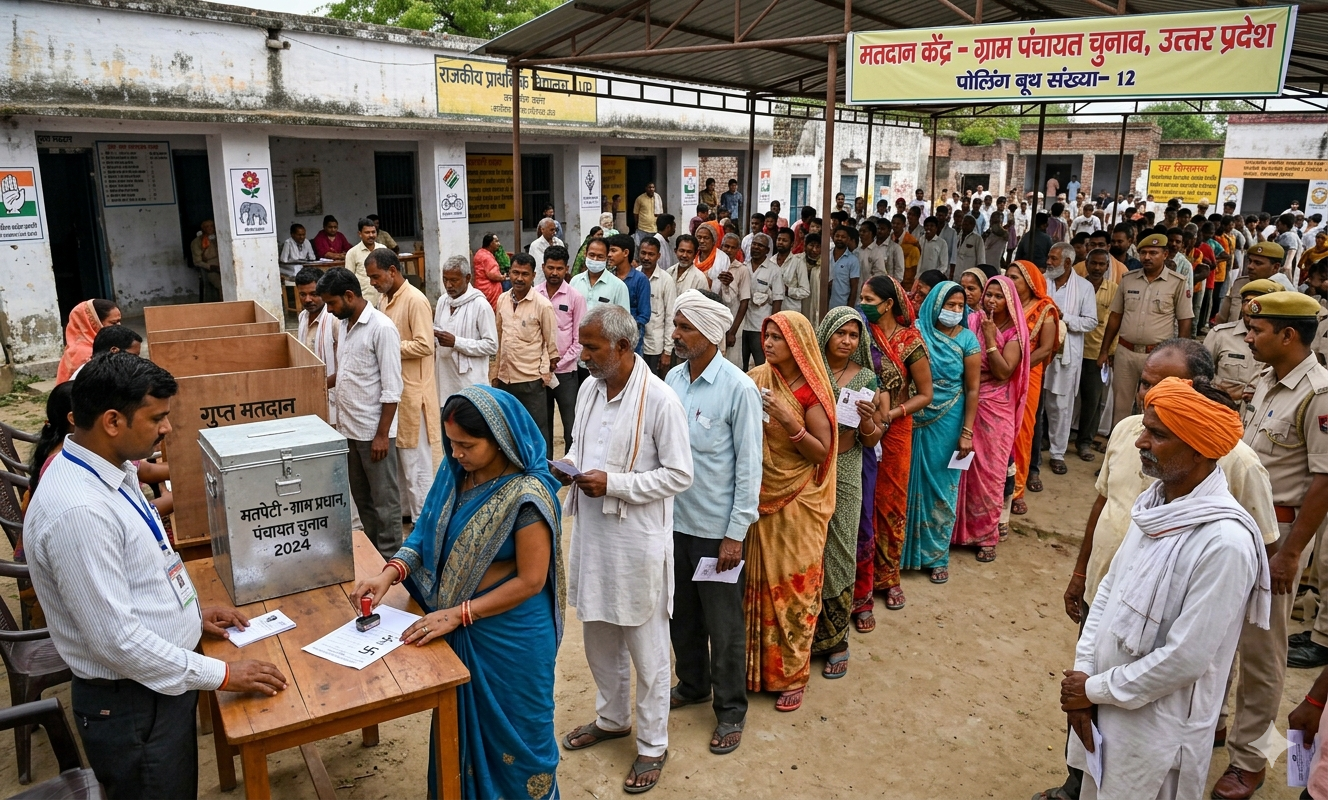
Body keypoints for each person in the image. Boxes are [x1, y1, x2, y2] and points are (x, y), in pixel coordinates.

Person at [24, 353, 287, 800]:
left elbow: (139, 571)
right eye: (157, 418)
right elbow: (118, 642)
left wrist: (188, 613)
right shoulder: (80, 512)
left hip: (151, 687)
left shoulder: (112, 471)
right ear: (112, 421)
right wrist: (223, 674)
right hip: (131, 702)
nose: (167, 428)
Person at [1047, 340, 1278, 800]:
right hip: (1104, 703)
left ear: (1200, 450)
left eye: (1158, 435)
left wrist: (1094, 689)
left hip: (1157, 728)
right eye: (1146, 428)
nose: (1140, 441)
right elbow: (1109, 593)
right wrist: (1084, 678)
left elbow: (1183, 660)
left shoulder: (1225, 542)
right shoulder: (1155, 504)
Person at [351, 387, 563, 800]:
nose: (457, 453)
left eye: (467, 445)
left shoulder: (527, 496)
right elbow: (427, 534)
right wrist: (390, 572)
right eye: (452, 444)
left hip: (512, 638)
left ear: (501, 439)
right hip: (471, 628)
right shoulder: (456, 475)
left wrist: (458, 614)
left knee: (521, 742)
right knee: (460, 736)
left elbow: (531, 581)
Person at [560, 304, 692, 794]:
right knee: (598, 635)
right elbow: (579, 447)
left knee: (647, 648)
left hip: (637, 543)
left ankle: (653, 744)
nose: (585, 355)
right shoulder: (591, 390)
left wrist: (614, 484)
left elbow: (680, 475)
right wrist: (568, 467)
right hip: (595, 538)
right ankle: (612, 719)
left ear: (622, 346)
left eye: (592, 347)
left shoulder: (660, 400)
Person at [665, 289, 762, 755]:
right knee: (680, 616)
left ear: (709, 333)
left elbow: (749, 468)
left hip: (717, 532)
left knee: (724, 626)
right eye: (676, 325)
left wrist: (734, 535)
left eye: (684, 327)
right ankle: (692, 685)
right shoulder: (672, 380)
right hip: (673, 524)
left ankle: (730, 711)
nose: (676, 334)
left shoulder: (738, 388)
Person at [744, 311, 837, 712]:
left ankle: (793, 673)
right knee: (756, 583)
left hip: (799, 500)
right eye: (766, 335)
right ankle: (756, 670)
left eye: (778, 338)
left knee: (794, 587)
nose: (768, 343)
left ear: (797, 345)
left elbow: (822, 451)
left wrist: (787, 419)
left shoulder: (809, 394)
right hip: (759, 494)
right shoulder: (755, 378)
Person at [1242, 293, 1328, 674]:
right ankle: (1217, 726)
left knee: (1262, 650)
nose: (1248, 338)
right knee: (1222, 635)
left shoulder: (1319, 394)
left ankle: (1252, 736)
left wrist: (1291, 554)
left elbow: (1325, 481)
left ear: (1288, 335)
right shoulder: (1266, 378)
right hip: (1242, 523)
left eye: (1256, 331)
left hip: (1279, 533)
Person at [810, 306, 882, 675]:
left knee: (838, 549)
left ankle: (836, 638)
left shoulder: (866, 377)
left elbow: (871, 439)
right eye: (841, 333)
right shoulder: (808, 369)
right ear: (826, 333)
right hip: (808, 470)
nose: (847, 341)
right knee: (807, 549)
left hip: (847, 469)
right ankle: (803, 633)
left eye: (854, 335)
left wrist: (870, 421)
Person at [860, 276, 934, 611]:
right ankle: (859, 577)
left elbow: (926, 394)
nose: (863, 304)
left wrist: (894, 414)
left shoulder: (909, 342)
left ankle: (888, 577)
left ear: (889, 304)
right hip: (862, 422)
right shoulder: (860, 334)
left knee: (889, 502)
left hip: (897, 427)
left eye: (869, 299)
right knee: (861, 502)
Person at [319, 267, 403, 560]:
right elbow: (345, 373)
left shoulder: (382, 328)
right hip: (349, 431)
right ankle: (374, 557)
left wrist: (382, 435)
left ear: (349, 295)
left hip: (373, 434)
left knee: (385, 503)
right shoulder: (344, 324)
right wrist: (314, 384)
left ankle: (393, 562)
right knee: (363, 500)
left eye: (332, 303)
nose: (329, 310)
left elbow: (393, 388)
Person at [905, 280, 980, 585]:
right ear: (936, 303)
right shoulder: (917, 333)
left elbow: (973, 389)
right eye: (950, 305)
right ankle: (900, 552)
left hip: (949, 418)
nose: (955, 311)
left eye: (960, 306)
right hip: (912, 414)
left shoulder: (967, 340)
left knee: (942, 487)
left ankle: (936, 556)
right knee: (906, 482)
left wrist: (967, 432)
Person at [953, 276, 1030, 560]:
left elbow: (1003, 371)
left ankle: (985, 535)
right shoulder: (971, 321)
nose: (991, 301)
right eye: (989, 295)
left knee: (989, 473)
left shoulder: (1015, 335)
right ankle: (957, 532)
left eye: (999, 296)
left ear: (1010, 302)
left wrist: (989, 338)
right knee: (963, 470)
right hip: (968, 400)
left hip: (997, 409)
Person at [366, 249, 441, 522]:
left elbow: (425, 345)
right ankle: (409, 516)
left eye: (376, 276)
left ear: (393, 271)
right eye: (370, 278)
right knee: (399, 462)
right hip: (393, 393)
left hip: (413, 395)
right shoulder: (384, 299)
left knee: (417, 464)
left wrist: (387, 347)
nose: (373, 282)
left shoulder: (415, 300)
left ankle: (426, 521)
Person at [1098, 233, 1194, 430]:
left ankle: (1147, 452)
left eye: (1153, 253)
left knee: (1152, 406)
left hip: (1158, 355)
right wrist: (1104, 350)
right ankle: (1118, 448)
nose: (1147, 257)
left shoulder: (1177, 282)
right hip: (1125, 352)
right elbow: (1115, 316)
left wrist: (1181, 356)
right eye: (1143, 253)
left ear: (1165, 254)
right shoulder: (1128, 279)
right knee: (1121, 406)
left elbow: (1185, 321)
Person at [1007, 260, 1061, 513]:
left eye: (1015, 277)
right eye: (1008, 276)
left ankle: (1016, 490)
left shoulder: (1045, 309)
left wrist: (1017, 367)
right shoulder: (1005, 304)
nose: (1011, 281)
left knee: (1022, 431)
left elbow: (1045, 349)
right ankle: (996, 484)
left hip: (1028, 374)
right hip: (1002, 372)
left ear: (1030, 282)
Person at [494, 255, 559, 454]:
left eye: (524, 274)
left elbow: (552, 347)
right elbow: (499, 340)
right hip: (505, 380)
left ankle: (542, 475)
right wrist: (495, 374)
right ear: (509, 274)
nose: (519, 278)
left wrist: (544, 374)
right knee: (508, 432)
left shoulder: (542, 305)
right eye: (515, 273)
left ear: (533, 276)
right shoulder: (502, 300)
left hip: (531, 380)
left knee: (536, 432)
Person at [1044, 244, 1098, 475]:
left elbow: (1090, 322)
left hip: (1064, 354)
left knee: (1060, 405)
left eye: (1053, 258)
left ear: (1067, 263)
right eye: (1049, 257)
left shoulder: (1084, 288)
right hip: (1039, 352)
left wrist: (1063, 316)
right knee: (1035, 401)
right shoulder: (1041, 280)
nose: (1048, 262)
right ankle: (1036, 446)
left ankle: (1057, 453)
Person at [536, 247, 584, 458]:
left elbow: (579, 339)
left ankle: (568, 467)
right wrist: (544, 365)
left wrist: (559, 363)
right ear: (543, 267)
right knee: (541, 423)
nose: (554, 272)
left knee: (570, 425)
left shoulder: (575, 297)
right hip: (538, 373)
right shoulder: (534, 295)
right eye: (550, 268)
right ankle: (544, 467)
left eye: (559, 268)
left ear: (566, 269)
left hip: (566, 374)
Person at [1203, 279, 1279, 410]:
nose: (1251, 307)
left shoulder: (1281, 342)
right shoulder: (1220, 335)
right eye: (1247, 301)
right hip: (1223, 415)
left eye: (1259, 302)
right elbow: (1200, 378)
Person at [434, 255, 498, 401]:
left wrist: (456, 342)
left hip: (470, 382)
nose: (448, 285)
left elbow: (492, 345)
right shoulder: (443, 301)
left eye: (454, 280)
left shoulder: (480, 305)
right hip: (444, 379)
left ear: (467, 278)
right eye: (445, 279)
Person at [1075, 250, 1118, 461]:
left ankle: (1084, 442)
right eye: (1094, 263)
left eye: (1102, 264)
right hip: (1072, 350)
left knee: (1092, 401)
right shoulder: (1077, 286)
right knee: (1062, 397)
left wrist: (1109, 352)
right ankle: (1052, 437)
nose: (1097, 268)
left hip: (1096, 352)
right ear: (1087, 263)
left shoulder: (1113, 290)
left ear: (1107, 267)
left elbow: (1115, 323)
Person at [295, 266, 340, 425]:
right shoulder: (302, 317)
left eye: (313, 294)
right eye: (302, 294)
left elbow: (348, 364)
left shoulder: (335, 320)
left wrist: (320, 385)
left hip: (336, 396)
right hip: (310, 392)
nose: (307, 299)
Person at [741, 233, 784, 370]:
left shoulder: (774, 271)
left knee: (761, 364)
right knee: (741, 365)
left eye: (760, 245)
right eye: (754, 244)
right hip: (742, 326)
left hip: (759, 326)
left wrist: (771, 327)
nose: (756, 247)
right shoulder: (743, 267)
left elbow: (778, 300)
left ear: (767, 250)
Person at [637, 237, 676, 377]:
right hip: (636, 344)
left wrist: (667, 351)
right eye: (643, 253)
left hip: (655, 347)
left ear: (658, 256)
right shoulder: (634, 276)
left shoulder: (666, 280)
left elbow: (671, 316)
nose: (646, 257)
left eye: (651, 254)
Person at [56, 298, 120, 383]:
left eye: (119, 321)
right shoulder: (83, 353)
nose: (119, 326)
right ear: (94, 323)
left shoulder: (105, 344)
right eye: (114, 322)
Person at [711, 234, 751, 368]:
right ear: (720, 247)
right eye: (726, 246)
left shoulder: (742, 270)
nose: (728, 250)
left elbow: (744, 302)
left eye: (733, 247)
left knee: (732, 363)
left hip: (734, 322)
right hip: (715, 321)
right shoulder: (715, 266)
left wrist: (732, 332)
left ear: (738, 250)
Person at [607, 234, 651, 354]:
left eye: (613, 251)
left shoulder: (640, 279)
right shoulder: (608, 277)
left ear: (626, 253)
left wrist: (627, 328)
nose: (609, 255)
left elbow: (644, 314)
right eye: (608, 251)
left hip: (631, 338)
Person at [345, 217, 387, 306]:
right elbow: (348, 279)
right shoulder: (352, 253)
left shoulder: (383, 249)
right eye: (367, 232)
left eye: (373, 232)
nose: (371, 235)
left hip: (383, 299)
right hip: (364, 301)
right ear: (360, 234)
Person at [190, 219, 222, 298]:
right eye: (207, 227)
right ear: (203, 229)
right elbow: (197, 261)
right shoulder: (197, 242)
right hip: (210, 270)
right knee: (222, 286)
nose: (210, 228)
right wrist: (210, 267)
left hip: (223, 266)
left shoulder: (220, 237)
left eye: (212, 226)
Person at [473, 233, 506, 309]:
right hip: (490, 290)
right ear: (491, 243)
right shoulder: (487, 257)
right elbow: (493, 275)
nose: (499, 244)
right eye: (496, 241)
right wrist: (502, 277)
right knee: (491, 311)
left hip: (480, 286)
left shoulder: (479, 253)